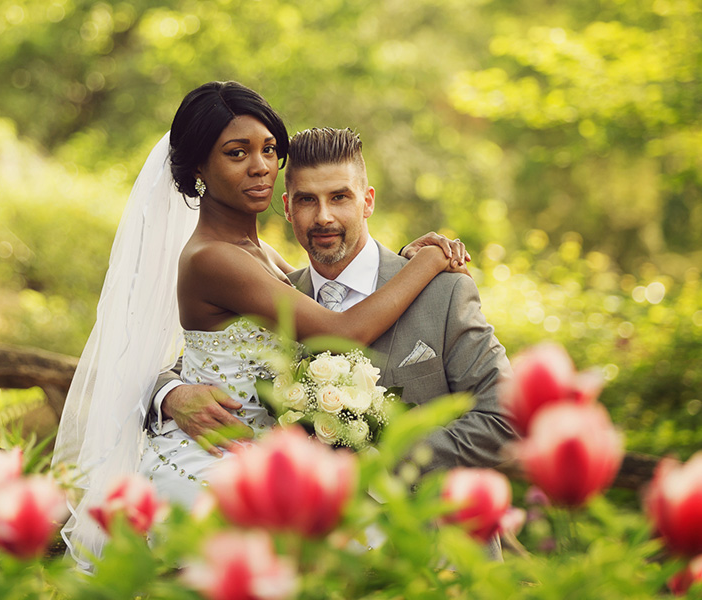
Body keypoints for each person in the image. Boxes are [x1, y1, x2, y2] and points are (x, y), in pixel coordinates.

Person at [52, 82, 464, 568]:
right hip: (212, 466)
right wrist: (430, 260)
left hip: (263, 462)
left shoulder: (260, 254)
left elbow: (320, 298)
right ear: (199, 167)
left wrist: (402, 260)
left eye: (269, 149)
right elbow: (342, 332)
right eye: (237, 153)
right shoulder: (213, 258)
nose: (261, 166)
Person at [153, 126, 515, 476]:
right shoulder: (277, 291)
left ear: (367, 201)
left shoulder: (443, 292)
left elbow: (504, 418)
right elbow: (208, 360)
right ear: (288, 208)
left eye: (339, 197)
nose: (323, 217)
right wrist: (170, 394)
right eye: (307, 200)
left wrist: (384, 464)